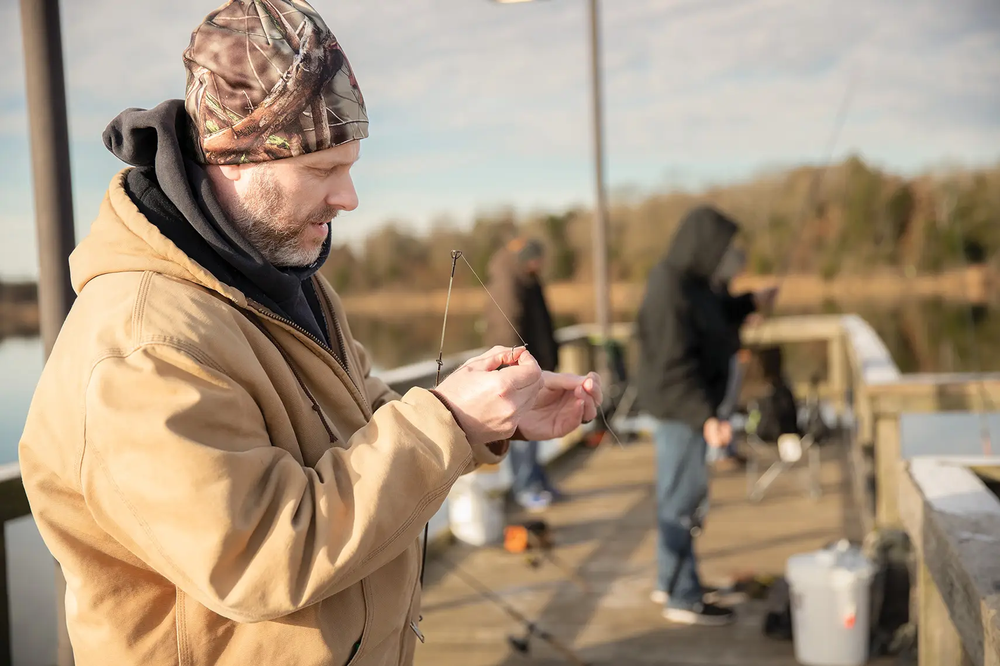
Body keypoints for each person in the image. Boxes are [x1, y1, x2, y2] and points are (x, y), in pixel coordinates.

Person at [16, 3, 602, 664]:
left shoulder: (284, 278)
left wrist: (484, 417)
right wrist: (444, 421)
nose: (349, 198)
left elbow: (361, 426)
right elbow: (260, 555)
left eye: (349, 166)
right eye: (323, 171)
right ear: (233, 156)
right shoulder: (145, 345)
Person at [634, 205, 777, 626]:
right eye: (721, 247)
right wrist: (706, 417)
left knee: (678, 496)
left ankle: (670, 580)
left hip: (689, 409)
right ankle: (682, 596)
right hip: (681, 410)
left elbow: (712, 319)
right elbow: (671, 366)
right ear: (701, 245)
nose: (726, 255)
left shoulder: (695, 284)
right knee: (683, 503)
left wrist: (750, 301)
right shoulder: (669, 286)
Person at [485, 237, 563, 511]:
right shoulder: (509, 283)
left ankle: (537, 480)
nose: (539, 263)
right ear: (526, 259)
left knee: (534, 434)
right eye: (536, 258)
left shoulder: (529, 279)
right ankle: (525, 488)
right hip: (520, 373)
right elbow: (507, 331)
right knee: (522, 435)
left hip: (537, 370)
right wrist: (516, 371)